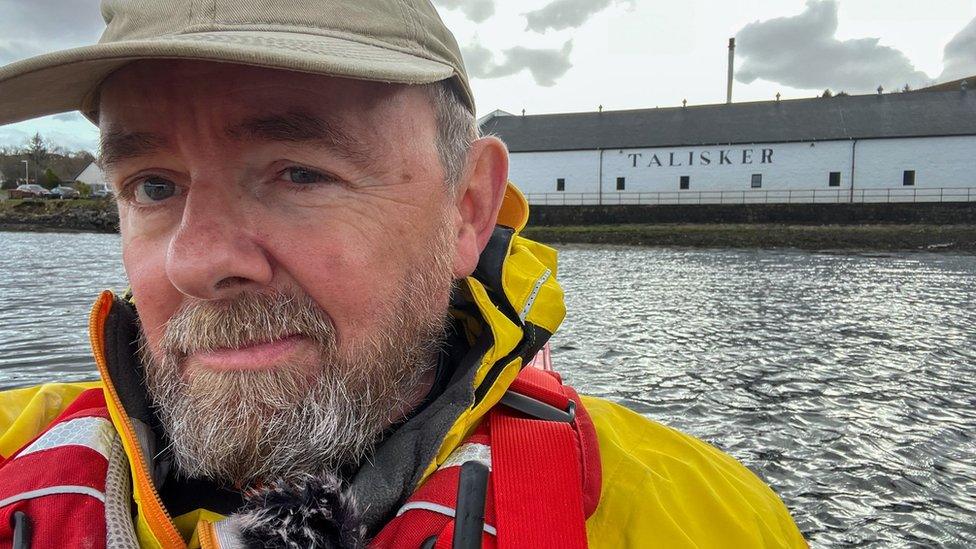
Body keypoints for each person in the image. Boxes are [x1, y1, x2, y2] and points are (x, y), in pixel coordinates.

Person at [0, 1, 807, 547]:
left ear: (467, 209)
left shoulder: (693, 517)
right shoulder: (15, 463)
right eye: (153, 186)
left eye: (300, 174)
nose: (199, 260)